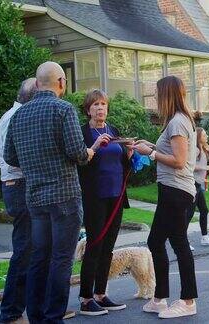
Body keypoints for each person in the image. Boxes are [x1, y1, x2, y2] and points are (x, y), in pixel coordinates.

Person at [4, 61, 94, 323]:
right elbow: (78, 152)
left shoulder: (19, 114)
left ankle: (36, 316)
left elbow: (10, 156)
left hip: (34, 197)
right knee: (61, 259)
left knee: (38, 258)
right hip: (64, 195)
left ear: (38, 82)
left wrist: (35, 163)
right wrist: (88, 152)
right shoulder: (63, 109)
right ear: (61, 82)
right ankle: (54, 316)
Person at [133, 76, 198, 319]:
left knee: (179, 244)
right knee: (155, 241)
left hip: (177, 191)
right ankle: (160, 298)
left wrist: (149, 152)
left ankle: (188, 301)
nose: (156, 99)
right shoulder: (176, 121)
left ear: (167, 95)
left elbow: (179, 162)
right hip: (171, 190)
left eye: (159, 94)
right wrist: (149, 145)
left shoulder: (178, 122)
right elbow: (172, 151)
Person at [78, 89, 133, 316]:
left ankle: (101, 293)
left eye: (103, 104)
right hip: (95, 197)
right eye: (96, 105)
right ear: (88, 109)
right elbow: (80, 163)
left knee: (109, 247)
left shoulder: (114, 130)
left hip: (116, 195)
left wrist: (129, 155)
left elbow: (122, 164)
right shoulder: (83, 133)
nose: (100, 108)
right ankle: (85, 298)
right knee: (95, 245)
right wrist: (96, 146)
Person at [0, 78, 36, 324]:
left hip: (18, 185)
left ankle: (29, 308)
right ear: (32, 95)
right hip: (18, 185)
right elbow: (11, 157)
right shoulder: (15, 118)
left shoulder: (15, 115)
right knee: (24, 250)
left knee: (31, 249)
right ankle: (11, 313)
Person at [186, 127, 209, 247]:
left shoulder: (201, 149)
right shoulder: (195, 150)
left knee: (204, 210)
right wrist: (206, 168)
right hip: (193, 184)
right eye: (205, 135)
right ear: (199, 137)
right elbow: (189, 165)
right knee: (189, 212)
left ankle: (205, 237)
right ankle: (183, 239)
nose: (207, 137)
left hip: (198, 184)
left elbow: (202, 162)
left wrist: (208, 152)